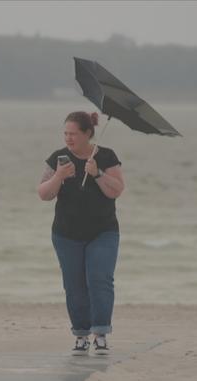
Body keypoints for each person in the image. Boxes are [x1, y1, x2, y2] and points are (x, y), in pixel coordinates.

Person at [37, 111, 125, 356]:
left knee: (100, 280)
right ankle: (81, 335)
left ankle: (101, 334)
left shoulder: (106, 156)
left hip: (103, 231)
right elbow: (43, 194)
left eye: (73, 134)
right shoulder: (58, 159)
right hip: (66, 234)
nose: (69, 138)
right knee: (74, 285)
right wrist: (59, 176)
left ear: (88, 134)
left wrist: (97, 173)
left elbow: (116, 190)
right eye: (65, 133)